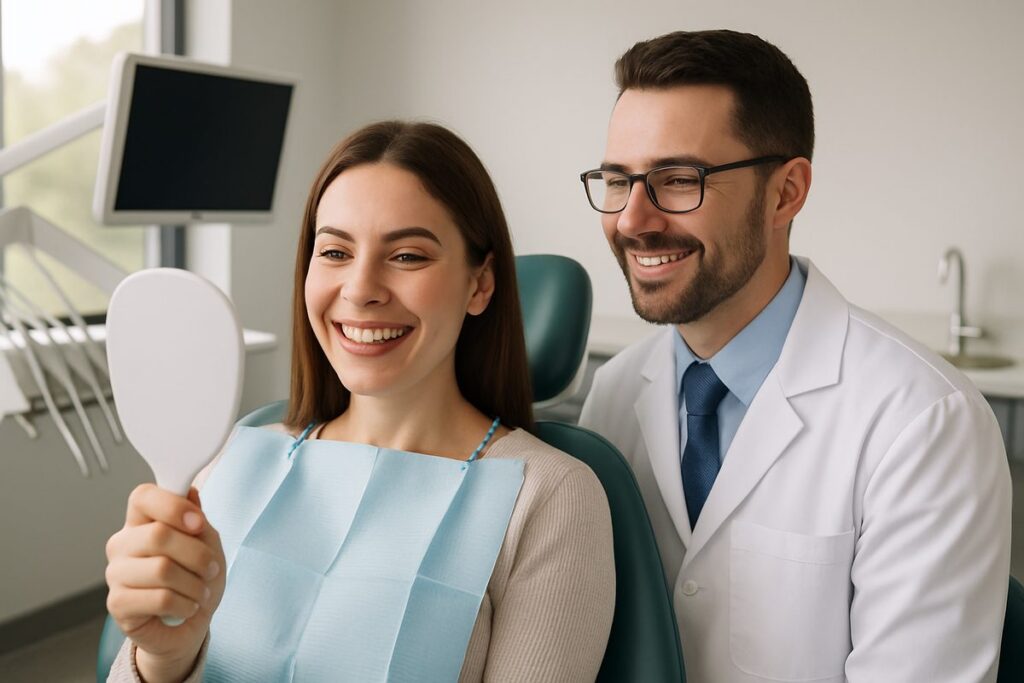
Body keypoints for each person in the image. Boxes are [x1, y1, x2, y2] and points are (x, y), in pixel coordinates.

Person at [105, 121, 615, 682]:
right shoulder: (230, 464)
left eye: (408, 256)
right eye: (334, 251)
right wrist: (164, 660)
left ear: (480, 284)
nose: (360, 288)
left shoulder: (551, 497)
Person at [578, 29, 1011, 682]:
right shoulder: (613, 395)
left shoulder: (922, 421)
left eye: (679, 180)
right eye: (618, 181)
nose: (633, 219)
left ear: (785, 193)